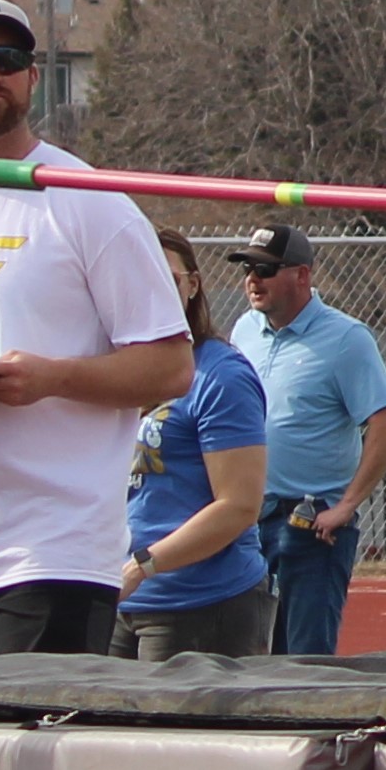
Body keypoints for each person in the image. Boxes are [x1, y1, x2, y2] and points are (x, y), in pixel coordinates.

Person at [0, 0, 192, 671]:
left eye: (9, 57)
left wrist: (51, 377)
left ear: (31, 77)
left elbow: (170, 365)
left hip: (52, 550)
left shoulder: (89, 202)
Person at [227, 222, 386, 657]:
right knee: (241, 651)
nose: (253, 279)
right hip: (246, 519)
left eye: (266, 270)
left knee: (303, 656)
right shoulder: (244, 330)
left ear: (302, 275)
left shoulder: (345, 339)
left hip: (309, 525)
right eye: (248, 268)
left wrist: (345, 506)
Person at [114, 229, 275, 662]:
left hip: (199, 600)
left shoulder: (221, 375)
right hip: (116, 598)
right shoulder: (115, 368)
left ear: (192, 285)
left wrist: (144, 565)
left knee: (171, 730)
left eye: (167, 278)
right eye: (141, 277)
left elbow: (239, 505)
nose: (153, 290)